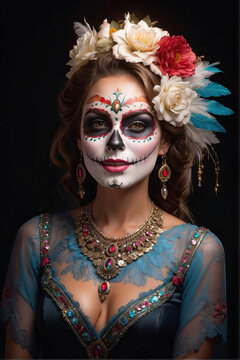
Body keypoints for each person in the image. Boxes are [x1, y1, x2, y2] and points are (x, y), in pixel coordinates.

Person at [0, 12, 232, 359]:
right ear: (79, 138)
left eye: (137, 125)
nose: (115, 142)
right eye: (97, 123)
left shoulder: (199, 253)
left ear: (165, 140)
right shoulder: (35, 240)